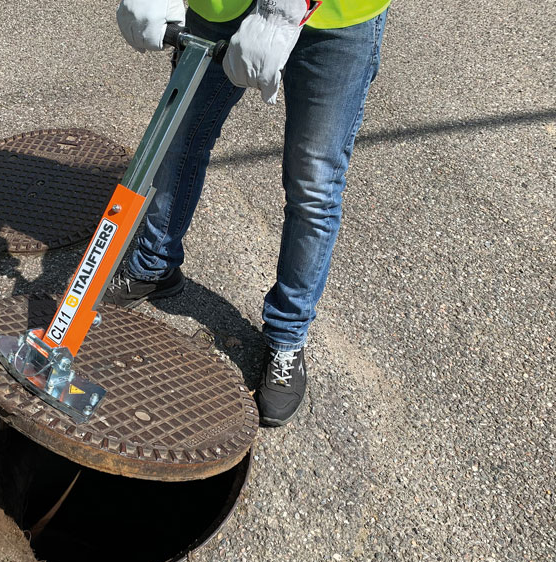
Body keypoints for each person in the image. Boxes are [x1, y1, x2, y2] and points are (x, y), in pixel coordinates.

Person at [106, 0, 390, 426]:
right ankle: (153, 266)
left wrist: (284, 11)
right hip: (223, 6)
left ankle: (287, 336)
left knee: (313, 183)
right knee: (179, 136)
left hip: (336, 18)